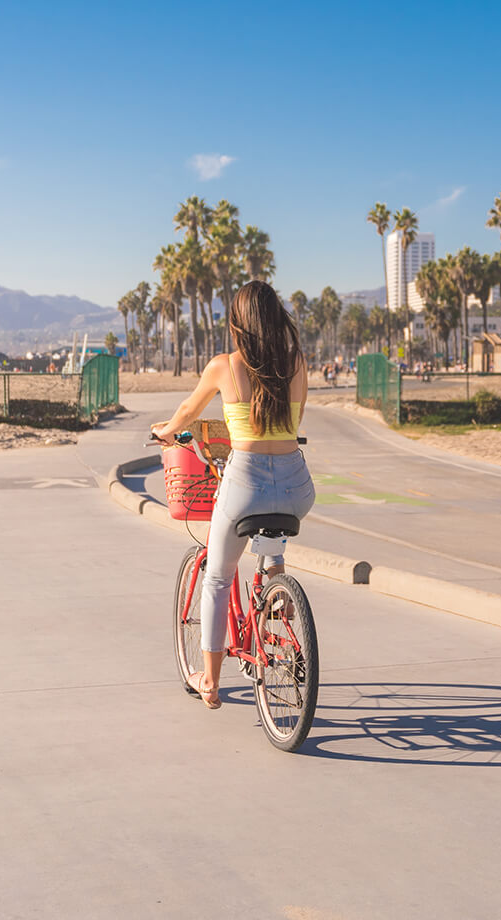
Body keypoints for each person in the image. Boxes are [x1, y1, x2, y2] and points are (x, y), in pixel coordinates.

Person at [151, 281, 315, 710]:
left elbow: (188, 410)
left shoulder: (224, 366)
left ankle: (210, 679)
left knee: (220, 575)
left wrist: (166, 432)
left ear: (238, 323)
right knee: (272, 539)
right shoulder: (297, 363)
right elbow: (294, 417)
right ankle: (278, 606)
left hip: (246, 482)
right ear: (277, 318)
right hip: (297, 485)